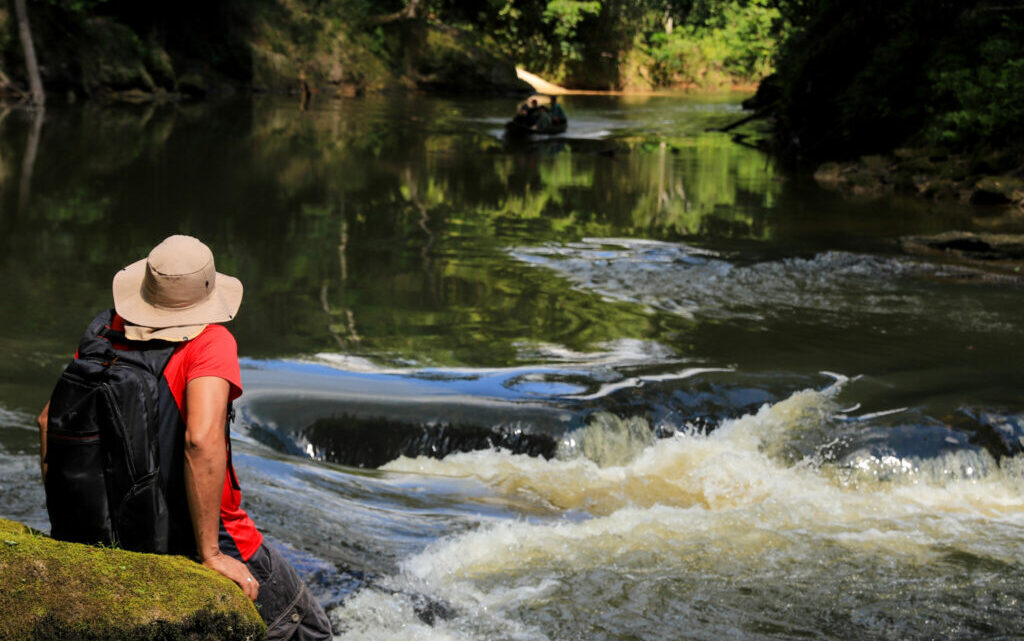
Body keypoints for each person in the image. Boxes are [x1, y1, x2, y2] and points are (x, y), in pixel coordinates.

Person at [37, 235, 332, 641]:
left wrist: (68, 530)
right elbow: (201, 440)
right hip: (201, 533)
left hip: (111, 528)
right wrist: (210, 555)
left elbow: (47, 421)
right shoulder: (209, 343)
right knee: (309, 629)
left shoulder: (102, 334)